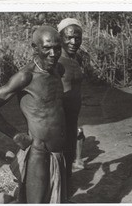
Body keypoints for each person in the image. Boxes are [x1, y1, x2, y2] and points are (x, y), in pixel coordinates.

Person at [0, 25, 67, 203]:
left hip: (59, 154)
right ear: (35, 47)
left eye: (57, 48)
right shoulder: (25, 76)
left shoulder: (58, 70)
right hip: (39, 152)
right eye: (46, 48)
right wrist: (14, 135)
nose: (53, 53)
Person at [57, 18, 85, 185]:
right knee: (57, 158)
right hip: (59, 119)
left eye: (78, 38)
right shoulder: (55, 61)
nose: (74, 42)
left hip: (73, 118)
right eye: (69, 37)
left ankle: (64, 194)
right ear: (60, 37)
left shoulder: (77, 59)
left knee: (69, 154)